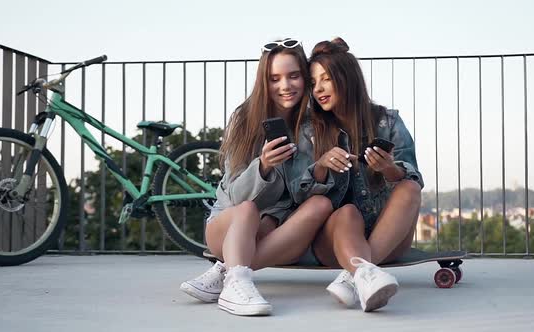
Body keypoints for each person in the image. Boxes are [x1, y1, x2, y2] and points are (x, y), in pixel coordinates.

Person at [180, 38, 333, 316]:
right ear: (264, 81)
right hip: (228, 225)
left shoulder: (314, 127)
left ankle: (226, 271)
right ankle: (237, 285)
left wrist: (314, 167)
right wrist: (262, 166)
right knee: (249, 209)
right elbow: (235, 196)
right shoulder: (244, 120)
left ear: (306, 78)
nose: (285, 86)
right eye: (275, 78)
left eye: (294, 76)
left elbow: (304, 197)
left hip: (277, 232)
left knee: (320, 205)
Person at [287, 37, 424, 312]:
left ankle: (356, 276)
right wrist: (322, 165)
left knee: (410, 188)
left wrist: (389, 169)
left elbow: (414, 176)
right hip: (334, 241)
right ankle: (364, 275)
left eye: (326, 79)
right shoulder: (309, 131)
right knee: (347, 212)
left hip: (387, 235)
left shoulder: (388, 121)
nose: (319, 89)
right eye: (313, 83)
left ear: (347, 78)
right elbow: (296, 194)